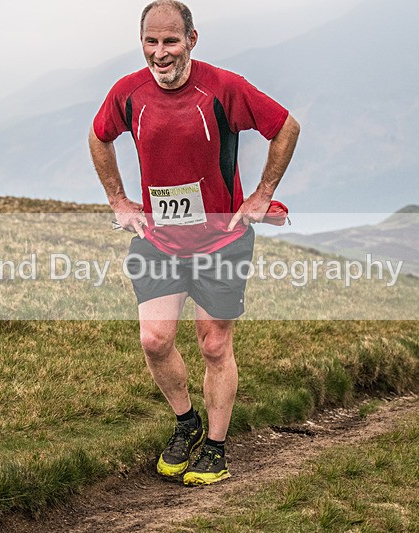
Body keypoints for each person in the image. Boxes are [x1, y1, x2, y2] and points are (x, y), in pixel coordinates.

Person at [88, 0, 299, 485]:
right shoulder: (128, 93)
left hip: (221, 241)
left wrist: (263, 195)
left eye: (170, 42)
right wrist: (119, 200)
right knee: (154, 339)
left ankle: (218, 448)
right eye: (150, 42)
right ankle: (187, 423)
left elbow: (285, 126)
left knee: (213, 344)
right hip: (160, 240)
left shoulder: (224, 88)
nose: (160, 54)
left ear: (192, 40)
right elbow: (99, 137)